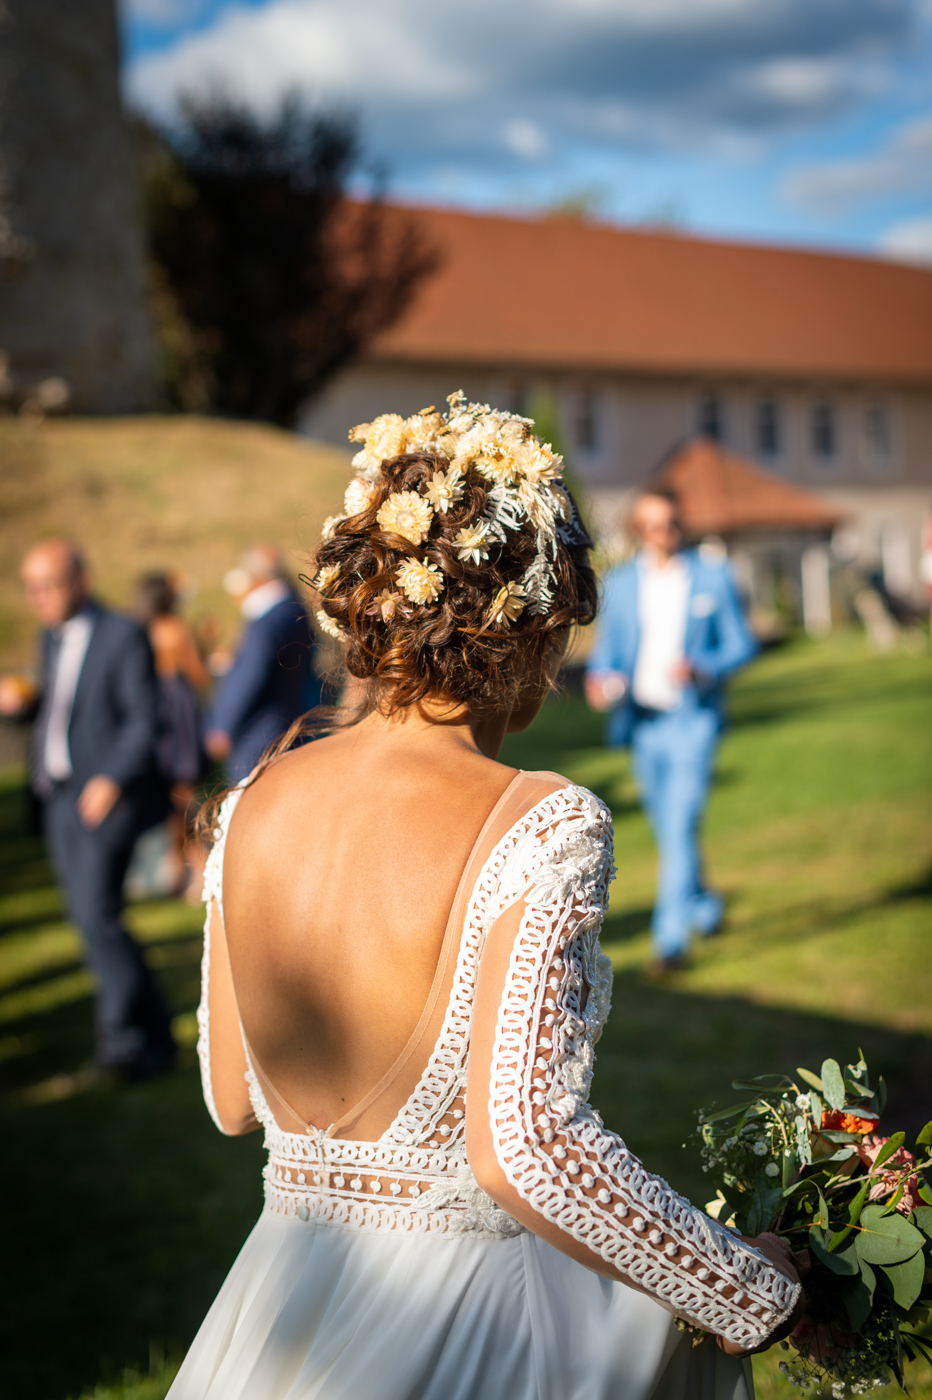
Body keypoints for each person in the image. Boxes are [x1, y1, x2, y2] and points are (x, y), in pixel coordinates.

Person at [167, 395, 802, 1400]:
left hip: (285, 1300)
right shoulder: (542, 821)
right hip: (467, 1320)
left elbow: (232, 1100)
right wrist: (747, 1288)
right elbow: (525, 1150)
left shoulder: (251, 799)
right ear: (528, 627)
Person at [0, 541, 176, 1080]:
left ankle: (124, 1044)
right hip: (54, 797)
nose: (39, 597)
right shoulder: (50, 638)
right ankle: (157, 1033)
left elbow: (144, 720)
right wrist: (23, 706)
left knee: (97, 917)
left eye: (49, 585)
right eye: (31, 588)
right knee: (92, 920)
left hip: (103, 801)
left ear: (80, 579)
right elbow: (63, 712)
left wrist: (110, 778)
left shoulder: (122, 634)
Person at [585, 489, 758, 972]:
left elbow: (742, 645)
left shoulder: (711, 576)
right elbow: (607, 653)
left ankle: (670, 942)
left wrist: (703, 667)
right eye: (653, 525)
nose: (664, 533)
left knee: (680, 825)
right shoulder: (621, 582)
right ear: (638, 530)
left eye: (671, 523)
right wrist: (600, 680)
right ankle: (704, 904)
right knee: (670, 828)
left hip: (692, 720)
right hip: (643, 724)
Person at [205, 545, 317, 782]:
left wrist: (223, 725)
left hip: (259, 730)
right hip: (292, 718)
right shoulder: (294, 609)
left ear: (256, 576)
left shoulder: (265, 624)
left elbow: (249, 676)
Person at [133, 572, 211, 893]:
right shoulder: (175, 629)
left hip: (154, 716)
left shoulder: (139, 631)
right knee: (186, 792)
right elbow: (198, 674)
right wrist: (205, 646)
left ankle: (180, 866)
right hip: (179, 716)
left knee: (169, 794)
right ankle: (196, 866)